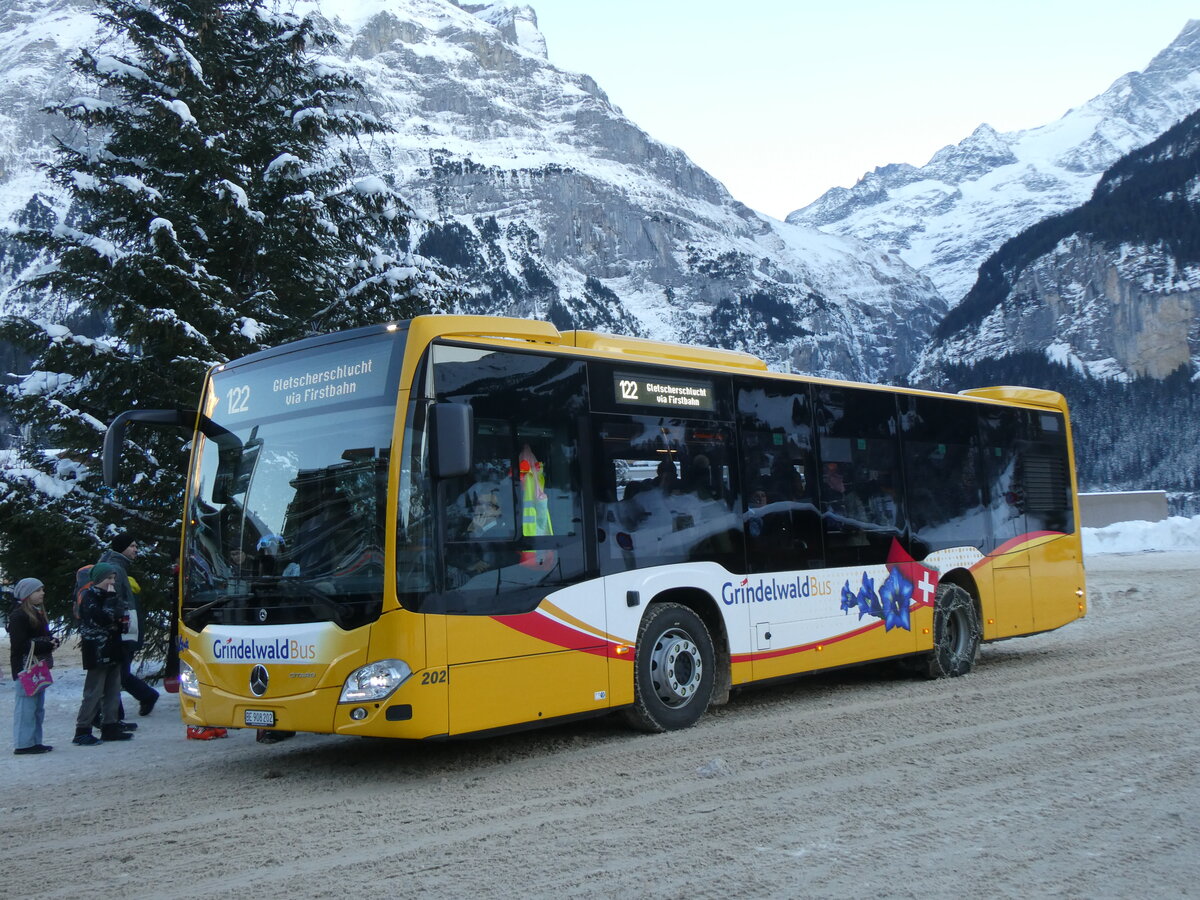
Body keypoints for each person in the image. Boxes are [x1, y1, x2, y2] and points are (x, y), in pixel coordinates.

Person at [98, 532, 160, 717]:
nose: (136, 550)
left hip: (121, 626)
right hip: (120, 628)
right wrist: (118, 623)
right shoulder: (115, 568)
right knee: (118, 672)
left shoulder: (116, 565)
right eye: (132, 546)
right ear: (121, 548)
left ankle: (117, 714)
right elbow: (113, 600)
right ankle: (118, 713)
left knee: (118, 671)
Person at [74, 563, 133, 746]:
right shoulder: (89, 597)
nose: (112, 582)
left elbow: (119, 618)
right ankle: (82, 729)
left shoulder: (111, 597)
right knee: (94, 691)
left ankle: (110, 726)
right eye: (109, 578)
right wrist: (112, 606)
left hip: (113, 646)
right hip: (97, 650)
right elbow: (103, 618)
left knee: (113, 689)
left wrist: (120, 621)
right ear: (99, 579)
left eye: (113, 578)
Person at [9, 578, 58, 755]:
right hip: (25, 668)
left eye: (42, 589)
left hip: (38, 667)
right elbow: (20, 645)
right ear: (26, 594)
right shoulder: (19, 615)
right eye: (38, 590)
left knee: (37, 708)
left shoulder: (37, 612)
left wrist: (52, 641)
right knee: (26, 707)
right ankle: (23, 744)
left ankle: (34, 741)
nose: (42, 593)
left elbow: (40, 637)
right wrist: (46, 644)